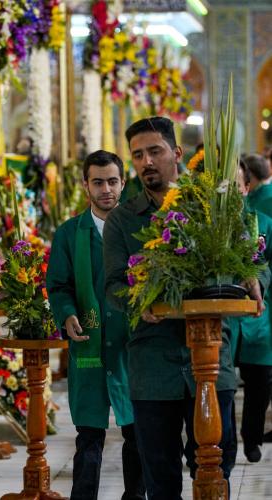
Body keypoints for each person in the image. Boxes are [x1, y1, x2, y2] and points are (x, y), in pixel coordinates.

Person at [102, 116, 263, 500]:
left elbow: (253, 259)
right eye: (138, 155)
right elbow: (112, 285)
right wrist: (140, 303)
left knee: (217, 465)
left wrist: (253, 280)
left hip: (209, 357)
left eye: (154, 151)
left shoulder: (214, 207)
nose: (146, 162)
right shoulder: (123, 221)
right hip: (152, 361)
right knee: (159, 472)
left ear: (176, 153)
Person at [47, 150, 145, 500]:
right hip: (88, 344)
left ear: (123, 182)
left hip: (131, 347)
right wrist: (66, 314)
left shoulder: (139, 229)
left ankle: (134, 495)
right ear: (85, 185)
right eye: (98, 182)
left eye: (113, 181)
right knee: (89, 436)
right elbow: (58, 285)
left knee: (137, 433)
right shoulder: (70, 233)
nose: (107, 189)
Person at [229, 160, 272, 463]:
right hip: (222, 318)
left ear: (246, 187)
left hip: (259, 316)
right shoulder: (203, 226)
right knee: (222, 384)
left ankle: (252, 436)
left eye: (236, 185)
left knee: (260, 381)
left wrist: (259, 280)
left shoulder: (264, 223)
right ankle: (224, 440)